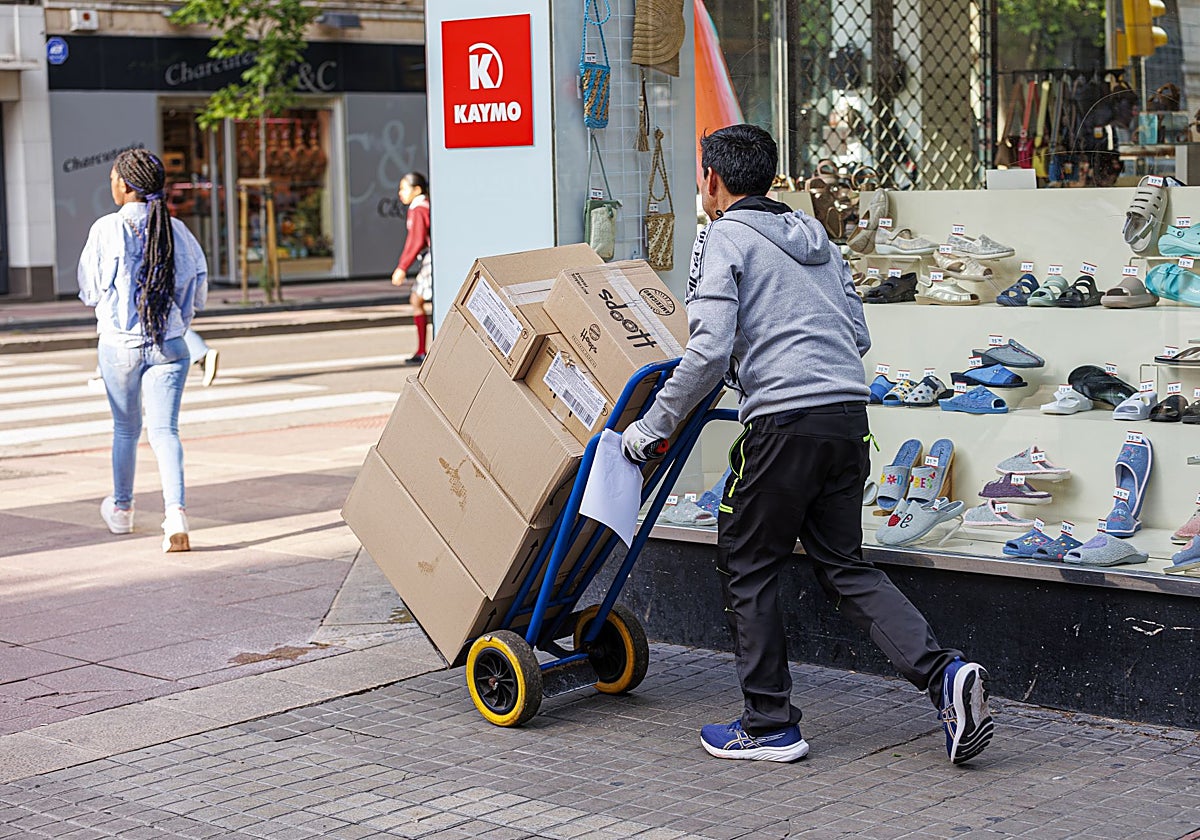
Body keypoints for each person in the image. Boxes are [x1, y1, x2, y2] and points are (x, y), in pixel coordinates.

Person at [621, 124, 993, 765]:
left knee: (747, 562)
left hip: (783, 426)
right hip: (848, 419)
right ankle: (946, 676)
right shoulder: (815, 236)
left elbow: (707, 351)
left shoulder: (723, 236)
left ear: (712, 179)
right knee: (845, 567)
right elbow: (858, 335)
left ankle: (769, 724)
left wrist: (649, 429)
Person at [77, 148, 209, 553]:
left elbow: (89, 290)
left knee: (125, 429)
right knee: (165, 432)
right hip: (170, 344)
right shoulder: (177, 230)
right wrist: (176, 322)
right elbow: (197, 291)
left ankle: (122, 510)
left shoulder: (106, 229)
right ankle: (176, 514)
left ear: (125, 185)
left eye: (113, 178)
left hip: (120, 345)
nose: (110, 184)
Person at [390, 172, 432, 365]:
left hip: (430, 259)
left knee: (417, 300)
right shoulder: (423, 206)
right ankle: (422, 349)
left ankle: (423, 350)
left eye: (403, 189)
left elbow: (416, 241)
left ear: (417, 190)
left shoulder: (418, 209)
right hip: (430, 258)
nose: (400, 193)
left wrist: (402, 267)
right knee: (418, 300)